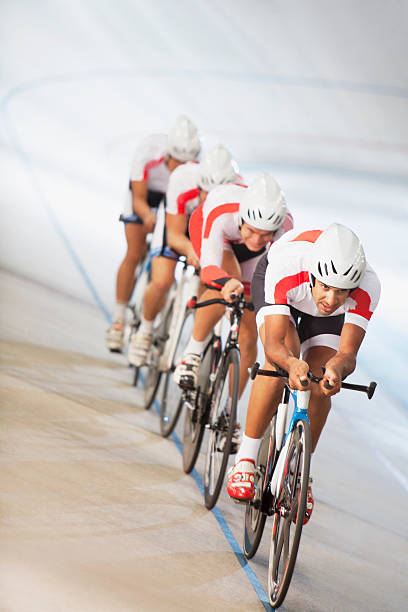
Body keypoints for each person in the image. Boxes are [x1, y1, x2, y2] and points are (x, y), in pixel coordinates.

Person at [226, 223, 381, 523]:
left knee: (322, 380)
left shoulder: (368, 287)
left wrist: (337, 369)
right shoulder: (288, 266)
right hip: (282, 289)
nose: (332, 300)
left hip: (324, 320)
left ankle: (298, 471)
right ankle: (245, 458)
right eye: (325, 287)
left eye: (341, 292)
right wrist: (291, 362)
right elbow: (272, 345)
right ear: (313, 275)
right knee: (280, 362)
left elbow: (348, 354)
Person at [174, 173, 294, 448]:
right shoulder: (222, 211)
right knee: (224, 285)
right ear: (242, 218)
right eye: (250, 230)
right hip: (215, 236)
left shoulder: (285, 228)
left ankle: (229, 412)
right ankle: (191, 354)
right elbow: (209, 269)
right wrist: (227, 283)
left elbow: (276, 276)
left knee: (249, 337)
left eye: (265, 234)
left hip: (255, 261)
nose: (255, 238)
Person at [128, 144, 239, 367]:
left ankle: (196, 345)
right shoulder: (182, 180)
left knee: (210, 285)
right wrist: (190, 250)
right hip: (181, 224)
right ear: (199, 184)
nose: (210, 199)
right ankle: (145, 330)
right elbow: (174, 235)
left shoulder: (238, 195)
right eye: (206, 193)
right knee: (162, 280)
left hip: (212, 229)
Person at [105, 115, 201, 352]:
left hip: (177, 200)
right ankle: (118, 320)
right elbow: (137, 199)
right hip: (148, 194)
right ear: (167, 156)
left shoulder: (198, 167)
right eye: (177, 162)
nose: (181, 168)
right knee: (134, 251)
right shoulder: (147, 152)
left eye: (187, 164)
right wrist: (148, 216)